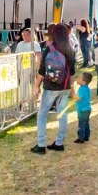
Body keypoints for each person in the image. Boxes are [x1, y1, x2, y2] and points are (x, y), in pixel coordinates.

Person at [31, 24, 76, 155]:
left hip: (50, 87)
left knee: (42, 114)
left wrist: (36, 85)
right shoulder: (70, 50)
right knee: (62, 114)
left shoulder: (49, 49)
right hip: (65, 87)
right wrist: (71, 88)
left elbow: (41, 70)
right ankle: (59, 142)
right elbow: (72, 72)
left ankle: (41, 145)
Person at [73, 72, 93, 144]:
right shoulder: (87, 89)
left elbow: (79, 98)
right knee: (86, 123)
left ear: (83, 82)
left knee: (81, 124)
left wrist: (72, 95)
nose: (77, 79)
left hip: (82, 110)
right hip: (87, 109)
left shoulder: (82, 89)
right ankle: (86, 136)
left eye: (79, 78)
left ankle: (81, 138)